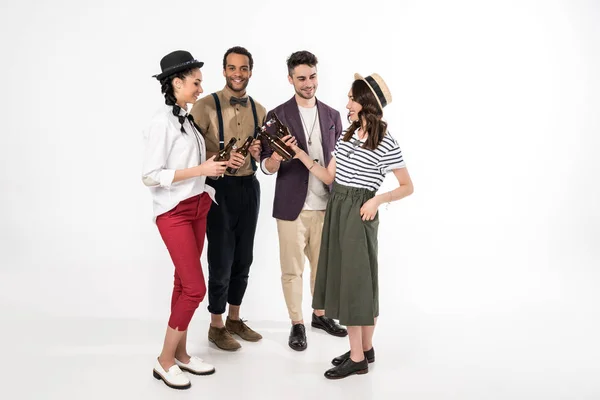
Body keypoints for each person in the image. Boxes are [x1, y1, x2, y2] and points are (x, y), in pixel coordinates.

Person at [289, 73, 414, 379]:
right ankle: (366, 349)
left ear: (365, 102)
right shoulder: (349, 133)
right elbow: (331, 178)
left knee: (356, 283)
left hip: (360, 211)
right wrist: (301, 156)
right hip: (338, 208)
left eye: (352, 98)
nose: (347, 103)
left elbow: (407, 186)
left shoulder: (385, 140)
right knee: (349, 279)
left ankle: (357, 358)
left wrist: (377, 200)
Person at [143, 50, 227, 389]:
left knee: (183, 284)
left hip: (197, 207)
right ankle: (164, 361)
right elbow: (150, 175)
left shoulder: (187, 119)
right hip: (173, 213)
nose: (200, 88)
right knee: (195, 288)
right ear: (176, 82)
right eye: (196, 82)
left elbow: (194, 165)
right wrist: (201, 169)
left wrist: (219, 161)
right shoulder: (161, 123)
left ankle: (181, 355)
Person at [260, 50, 347, 351]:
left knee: (323, 268)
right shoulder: (276, 115)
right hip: (291, 208)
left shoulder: (333, 115)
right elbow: (267, 167)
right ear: (290, 79)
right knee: (292, 269)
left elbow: (341, 161)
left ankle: (319, 315)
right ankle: (297, 323)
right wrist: (276, 155)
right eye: (301, 78)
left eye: (312, 76)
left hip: (326, 205)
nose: (308, 83)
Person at [190, 46, 265, 351]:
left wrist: (260, 153)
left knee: (244, 258)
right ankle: (216, 325)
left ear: (250, 71)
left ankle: (235, 318)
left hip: (250, 187)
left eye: (243, 68)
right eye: (232, 68)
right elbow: (188, 152)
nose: (238, 74)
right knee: (221, 259)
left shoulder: (260, 110)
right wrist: (220, 157)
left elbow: (264, 154)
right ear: (223, 71)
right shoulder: (205, 106)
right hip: (218, 189)